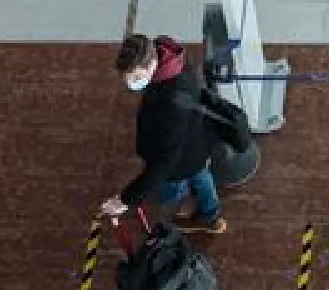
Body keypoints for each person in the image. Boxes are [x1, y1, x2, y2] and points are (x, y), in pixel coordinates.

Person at [99, 32, 247, 235]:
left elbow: (164, 164)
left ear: (151, 64)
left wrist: (126, 199)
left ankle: (174, 217)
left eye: (136, 78)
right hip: (198, 142)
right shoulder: (173, 59)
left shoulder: (169, 103)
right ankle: (212, 216)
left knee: (171, 192)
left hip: (179, 162)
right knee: (202, 176)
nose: (131, 85)